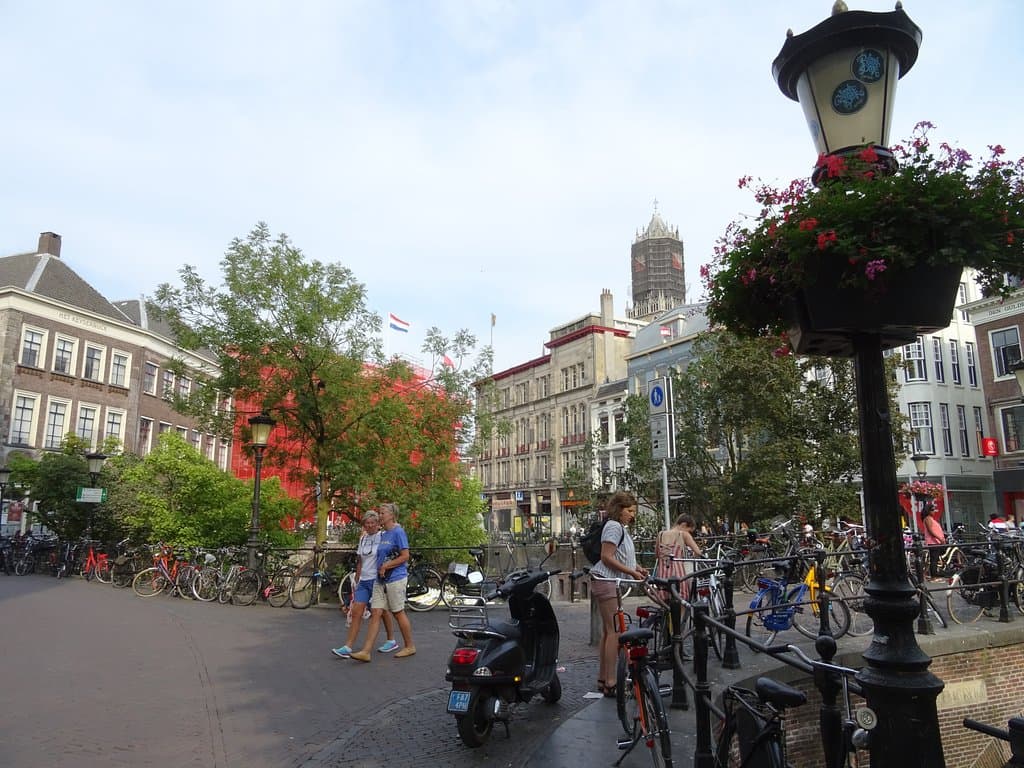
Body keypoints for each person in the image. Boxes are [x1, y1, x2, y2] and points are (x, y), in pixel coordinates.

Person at [590, 490, 646, 698]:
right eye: (630, 510)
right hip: (606, 581)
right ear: (619, 510)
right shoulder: (613, 527)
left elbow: (621, 555)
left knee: (608, 632)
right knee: (614, 632)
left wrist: (637, 567)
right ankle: (612, 682)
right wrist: (630, 571)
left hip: (607, 581)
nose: (633, 515)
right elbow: (607, 557)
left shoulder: (618, 527)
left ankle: (603, 679)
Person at [350, 503, 416, 661]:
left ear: (392, 515)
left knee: (398, 612)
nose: (380, 515)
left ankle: (409, 646)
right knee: (376, 613)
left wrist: (387, 565)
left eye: (383, 513)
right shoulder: (384, 534)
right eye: (380, 513)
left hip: (395, 578)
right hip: (381, 579)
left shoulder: (398, 532)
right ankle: (366, 651)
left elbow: (405, 556)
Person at [331, 511, 395, 658]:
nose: (370, 525)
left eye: (373, 522)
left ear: (378, 524)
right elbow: (360, 561)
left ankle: (391, 639)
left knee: (381, 611)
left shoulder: (382, 537)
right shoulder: (363, 539)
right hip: (364, 580)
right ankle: (348, 646)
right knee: (356, 612)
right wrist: (357, 580)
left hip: (377, 580)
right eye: (367, 523)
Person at [654, 513, 703, 600]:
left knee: (665, 604)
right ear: (684, 525)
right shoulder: (683, 534)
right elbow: (698, 552)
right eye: (689, 530)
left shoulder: (661, 534)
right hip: (678, 574)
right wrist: (693, 557)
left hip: (662, 574)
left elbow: (657, 555)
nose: (689, 533)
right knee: (680, 603)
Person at [920, 502, 946, 580]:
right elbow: (931, 531)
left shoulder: (930, 519)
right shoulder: (927, 519)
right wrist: (939, 538)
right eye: (933, 510)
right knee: (934, 559)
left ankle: (936, 573)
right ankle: (934, 576)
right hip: (933, 542)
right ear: (929, 511)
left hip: (936, 541)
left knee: (936, 558)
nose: (934, 512)